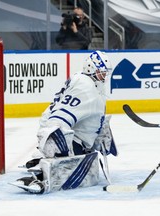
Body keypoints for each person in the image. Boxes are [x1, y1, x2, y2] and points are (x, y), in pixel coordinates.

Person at [10, 51, 117, 194]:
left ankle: (45, 159)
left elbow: (91, 114)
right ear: (91, 68)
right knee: (70, 165)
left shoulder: (91, 83)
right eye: (101, 72)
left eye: (106, 72)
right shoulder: (85, 87)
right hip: (68, 138)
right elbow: (59, 118)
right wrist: (56, 149)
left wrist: (100, 130)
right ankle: (42, 171)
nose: (104, 76)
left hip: (73, 137)